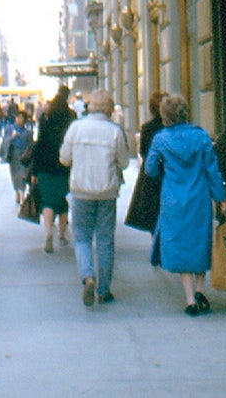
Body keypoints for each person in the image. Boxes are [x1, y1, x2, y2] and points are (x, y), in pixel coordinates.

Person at [144, 94, 226, 316]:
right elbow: (212, 170)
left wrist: (164, 165)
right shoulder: (201, 137)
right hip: (199, 198)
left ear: (164, 115)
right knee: (200, 241)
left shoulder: (161, 139)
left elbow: (150, 170)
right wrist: (221, 197)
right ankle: (201, 287)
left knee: (181, 244)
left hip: (173, 199)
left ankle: (190, 299)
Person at [60, 89, 133, 307]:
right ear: (110, 108)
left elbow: (64, 159)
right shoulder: (114, 131)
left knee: (81, 237)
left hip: (81, 190)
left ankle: (87, 275)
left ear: (90, 105)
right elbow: (124, 162)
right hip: (106, 191)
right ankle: (104, 290)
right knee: (105, 239)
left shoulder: (76, 128)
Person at [29, 86, 77, 253]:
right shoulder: (71, 117)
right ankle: (62, 235)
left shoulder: (45, 117)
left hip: (45, 165)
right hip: (65, 165)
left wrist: (34, 172)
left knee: (48, 201)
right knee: (62, 200)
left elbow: (39, 143)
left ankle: (49, 231)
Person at [125, 91, 170, 246]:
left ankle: (156, 241)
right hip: (172, 173)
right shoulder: (174, 127)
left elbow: (144, 151)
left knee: (153, 210)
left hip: (152, 175)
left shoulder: (148, 128)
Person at [2, 109, 36, 202]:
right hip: (13, 155)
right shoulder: (9, 129)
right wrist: (12, 137)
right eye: (18, 117)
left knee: (23, 175)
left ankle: (22, 195)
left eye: (21, 118)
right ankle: (17, 191)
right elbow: (4, 142)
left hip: (24, 157)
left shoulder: (28, 132)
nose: (19, 119)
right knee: (14, 175)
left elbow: (31, 145)